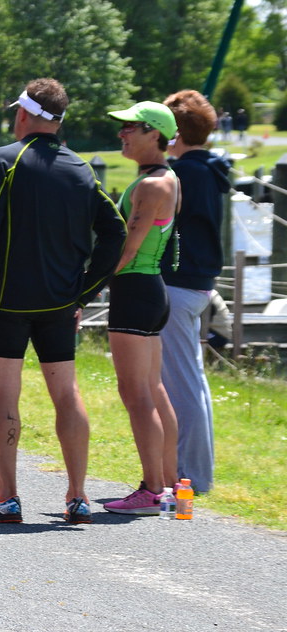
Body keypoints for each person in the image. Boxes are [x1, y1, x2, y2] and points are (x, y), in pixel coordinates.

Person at [0, 78, 126, 525]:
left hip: (9, 303)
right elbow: (116, 232)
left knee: (5, 398)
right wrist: (85, 291)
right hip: (59, 306)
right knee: (66, 395)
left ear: (24, 115)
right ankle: (78, 496)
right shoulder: (81, 170)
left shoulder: (3, 162)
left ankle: (8, 497)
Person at [101, 101, 181, 514]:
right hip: (151, 291)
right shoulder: (167, 178)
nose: (123, 135)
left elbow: (128, 250)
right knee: (152, 389)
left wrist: (82, 291)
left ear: (155, 133)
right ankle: (169, 484)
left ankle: (152, 490)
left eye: (131, 128)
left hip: (135, 292)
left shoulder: (151, 185)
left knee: (135, 394)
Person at [159, 90, 232, 495]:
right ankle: (194, 472)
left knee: (182, 383)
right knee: (193, 381)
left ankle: (190, 475)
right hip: (199, 284)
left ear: (175, 133)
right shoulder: (211, 169)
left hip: (179, 283)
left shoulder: (185, 174)